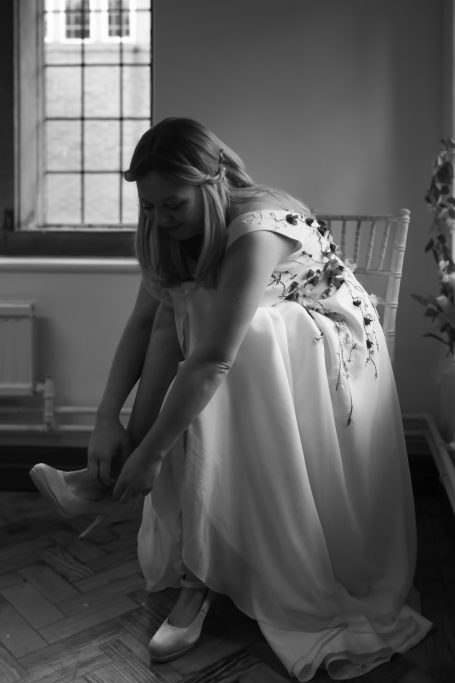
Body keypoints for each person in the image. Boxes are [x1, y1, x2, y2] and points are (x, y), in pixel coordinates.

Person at [30, 117, 432, 681]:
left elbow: (214, 359)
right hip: (248, 352)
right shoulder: (171, 233)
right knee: (177, 307)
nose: (161, 219)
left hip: (332, 347)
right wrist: (104, 418)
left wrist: (152, 457)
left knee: (229, 335)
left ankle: (193, 575)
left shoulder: (256, 228)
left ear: (210, 184)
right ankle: (123, 486)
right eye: (149, 207)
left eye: (172, 205)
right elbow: (143, 324)